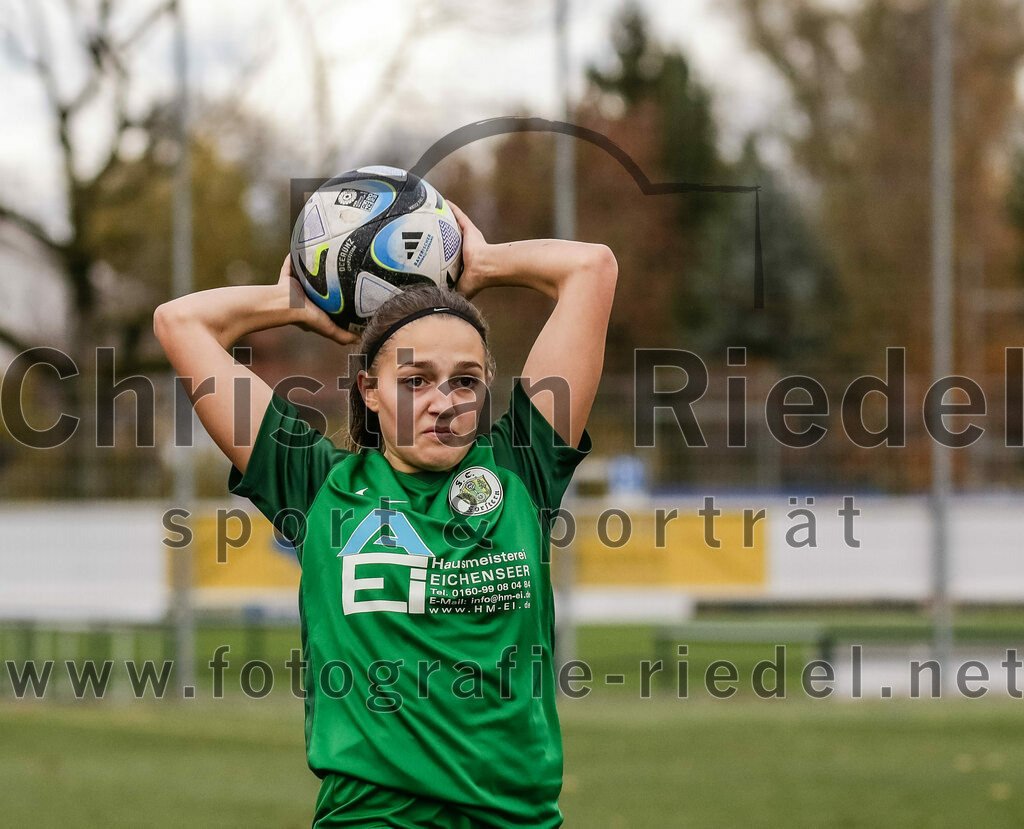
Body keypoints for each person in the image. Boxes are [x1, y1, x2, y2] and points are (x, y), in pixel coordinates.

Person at [153, 201, 618, 828]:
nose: (443, 402)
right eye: (416, 379)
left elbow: (592, 268)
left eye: (465, 381)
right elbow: (180, 323)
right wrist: (295, 304)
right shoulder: (315, 485)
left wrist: (479, 263)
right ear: (370, 389)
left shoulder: (522, 471)